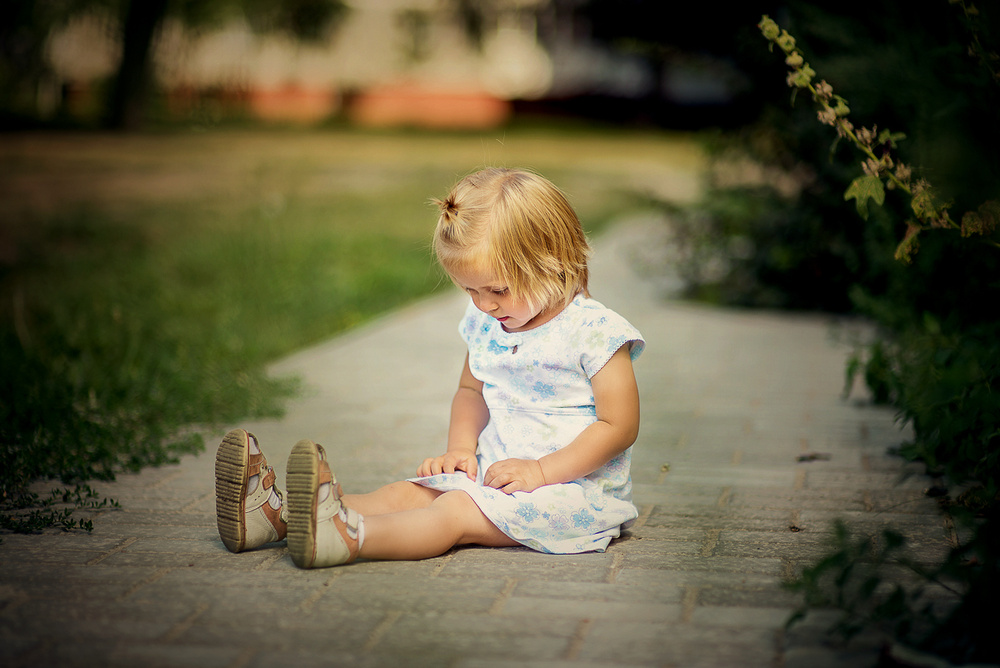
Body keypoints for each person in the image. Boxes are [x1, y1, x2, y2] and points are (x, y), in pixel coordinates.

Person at [214, 167, 645, 568]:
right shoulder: (489, 324)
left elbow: (618, 426)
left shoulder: (595, 332)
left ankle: (350, 539)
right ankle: (277, 517)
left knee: (453, 512)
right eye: (469, 290)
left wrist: (541, 471)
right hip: (495, 478)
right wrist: (459, 449)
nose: (484, 304)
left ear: (554, 262)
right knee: (405, 493)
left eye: (497, 289)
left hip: (570, 494)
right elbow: (471, 392)